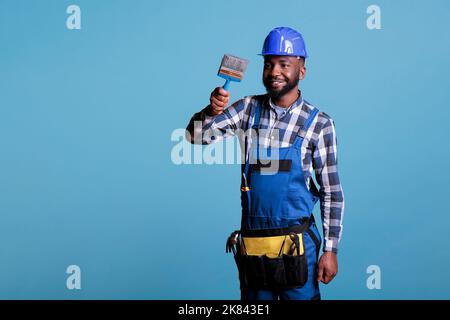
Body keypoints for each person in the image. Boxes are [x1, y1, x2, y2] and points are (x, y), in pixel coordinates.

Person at [185, 27, 345, 300]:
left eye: (284, 64)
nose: (275, 72)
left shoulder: (319, 124)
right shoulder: (247, 109)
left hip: (298, 248)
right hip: (253, 248)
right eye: (268, 64)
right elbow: (195, 137)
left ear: (301, 71)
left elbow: (332, 192)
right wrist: (211, 111)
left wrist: (330, 250)